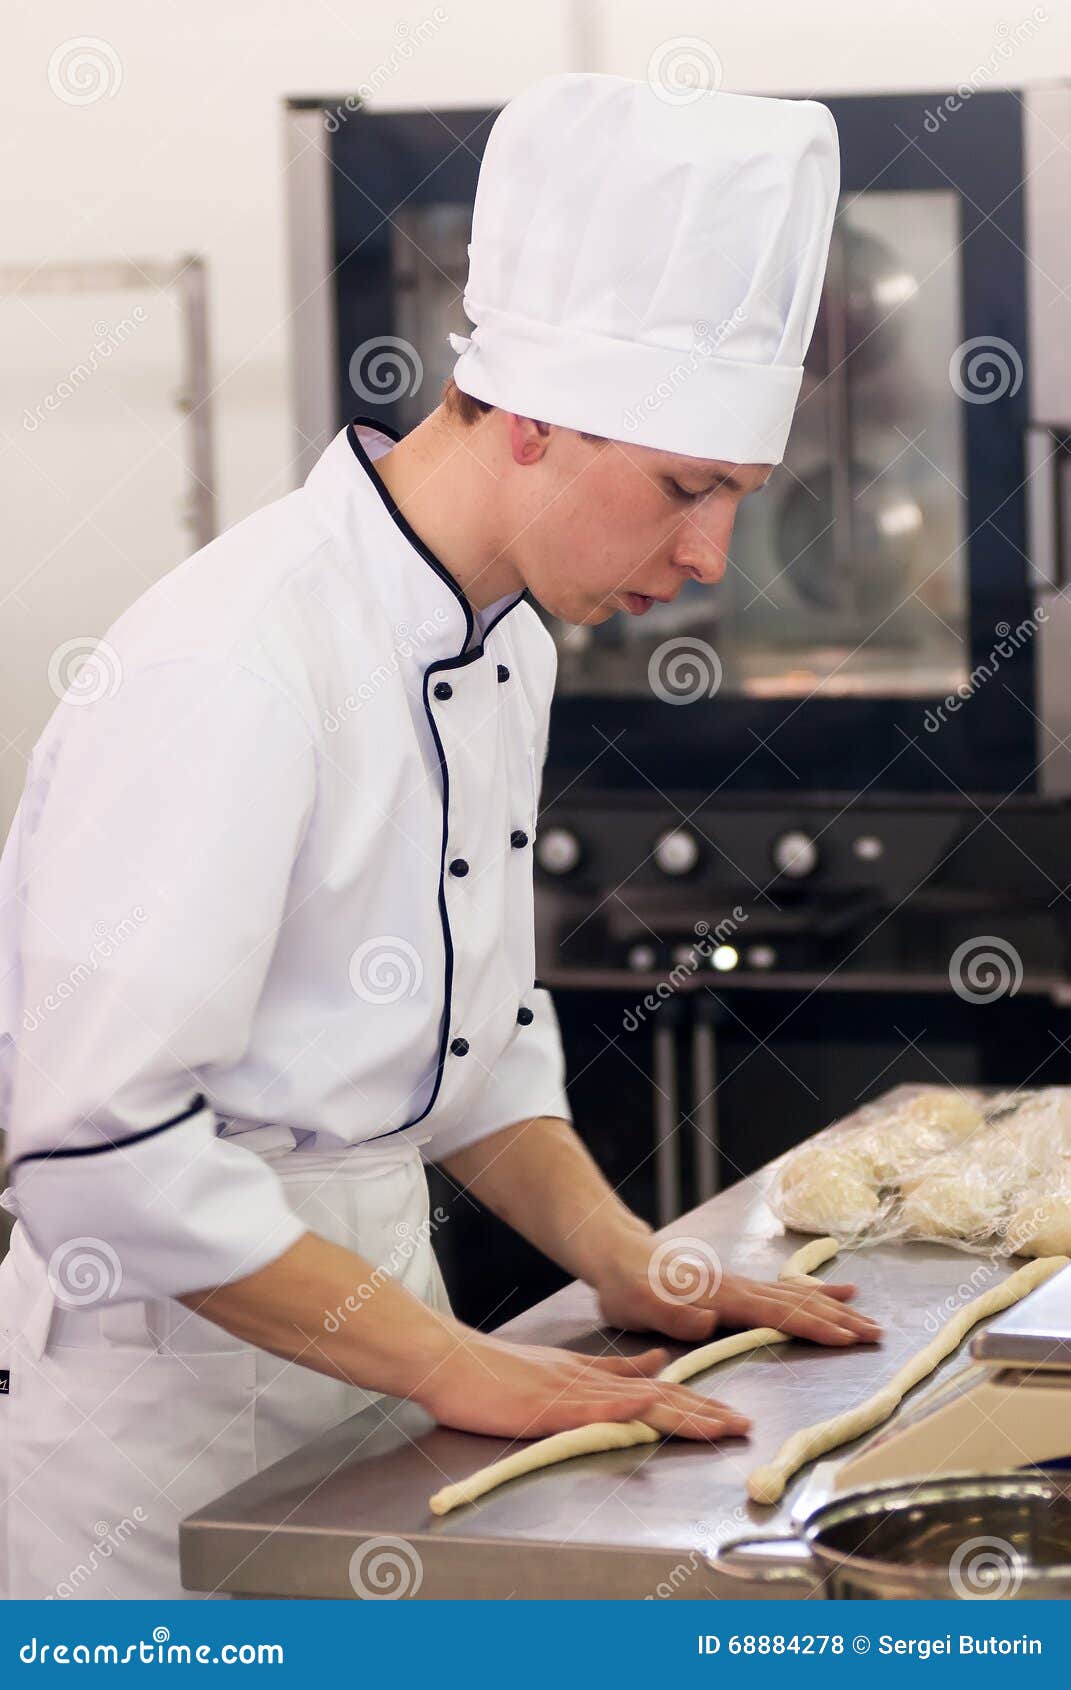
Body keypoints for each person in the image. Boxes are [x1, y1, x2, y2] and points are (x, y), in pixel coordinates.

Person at [0, 72, 879, 1600]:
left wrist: (622, 1257)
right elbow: (95, 1151)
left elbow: (470, 1047)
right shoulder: (238, 662)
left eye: (739, 494)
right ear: (531, 421)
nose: (709, 555)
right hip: (165, 1443)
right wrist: (464, 1368)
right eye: (686, 489)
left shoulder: (511, 643)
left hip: (385, 1369)